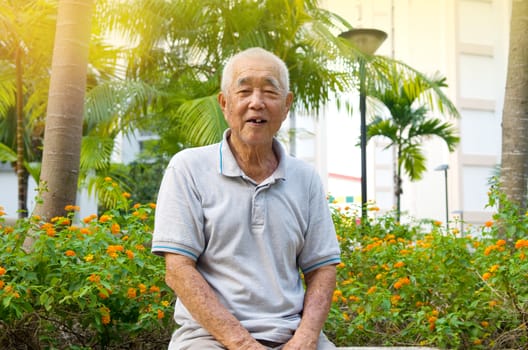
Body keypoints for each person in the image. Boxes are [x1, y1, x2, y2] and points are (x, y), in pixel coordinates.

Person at [152, 47, 341, 350]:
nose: (257, 102)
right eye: (244, 91)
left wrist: (305, 338)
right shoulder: (188, 168)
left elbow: (322, 268)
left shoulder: (305, 178)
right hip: (208, 339)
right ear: (224, 103)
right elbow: (178, 269)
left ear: (287, 104)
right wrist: (242, 343)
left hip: (292, 335)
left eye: (269, 91)